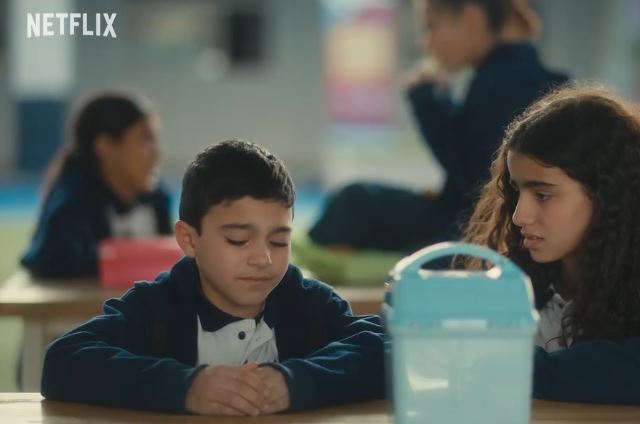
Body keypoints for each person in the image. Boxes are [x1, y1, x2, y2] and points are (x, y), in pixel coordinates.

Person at [41, 140, 386, 415]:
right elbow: (63, 361)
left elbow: (388, 348)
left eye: (279, 241)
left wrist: (294, 383)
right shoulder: (158, 307)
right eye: (238, 240)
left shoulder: (309, 304)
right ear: (189, 240)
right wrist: (187, 387)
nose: (263, 258)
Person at [462, 85, 640, 406]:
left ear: (607, 196)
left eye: (543, 195)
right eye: (517, 191)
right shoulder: (514, 282)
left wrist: (516, 368)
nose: (520, 215)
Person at [308, 0, 568, 253]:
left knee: (353, 201)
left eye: (432, 27)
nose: (427, 42)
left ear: (471, 18)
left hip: (470, 228)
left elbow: (473, 185)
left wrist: (426, 101)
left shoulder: (498, 81)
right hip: (476, 220)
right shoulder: (522, 72)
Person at [20, 92, 172, 278]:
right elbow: (48, 263)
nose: (157, 154)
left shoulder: (157, 199)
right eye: (146, 139)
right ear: (105, 146)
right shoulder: (72, 203)